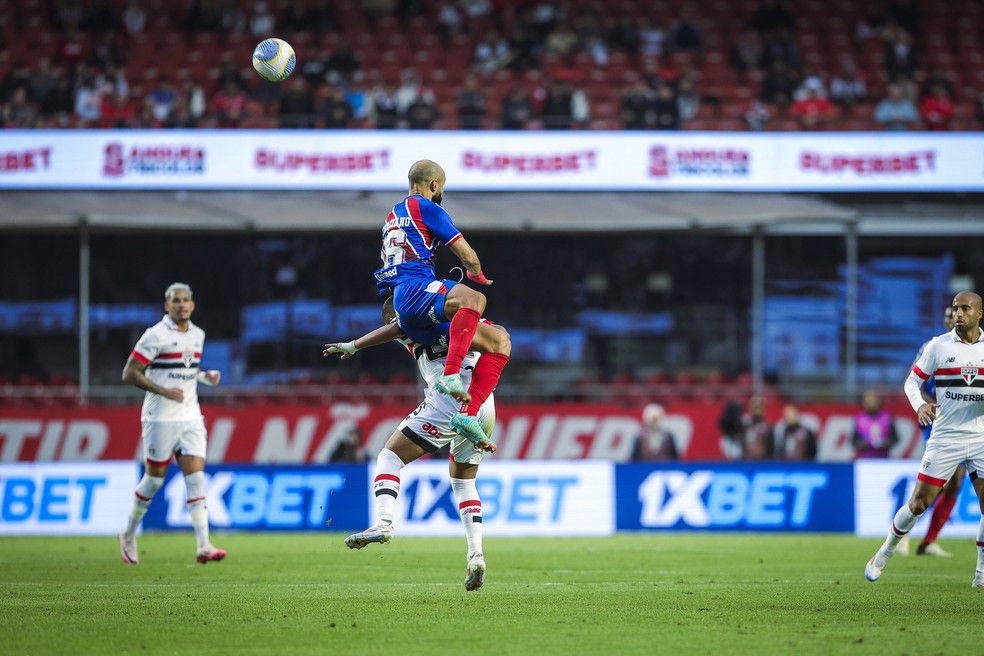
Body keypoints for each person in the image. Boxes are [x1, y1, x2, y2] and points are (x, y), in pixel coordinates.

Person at [324, 297, 508, 590]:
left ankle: (384, 522)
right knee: (463, 483)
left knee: (389, 457)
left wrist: (355, 345)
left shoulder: (408, 326)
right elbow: (496, 338)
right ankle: (476, 556)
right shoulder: (462, 318)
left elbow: (396, 328)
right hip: (483, 401)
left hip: (449, 398)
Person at [368, 160, 510, 450]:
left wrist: (355, 345)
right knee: (475, 299)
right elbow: (466, 254)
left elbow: (393, 327)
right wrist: (477, 274)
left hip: (405, 299)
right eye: (441, 187)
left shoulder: (392, 215)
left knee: (499, 339)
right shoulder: (427, 207)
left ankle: (467, 414)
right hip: (415, 289)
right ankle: (452, 377)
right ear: (435, 185)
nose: (440, 192)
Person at [865, 291, 984, 587]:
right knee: (919, 503)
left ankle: (981, 575)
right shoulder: (938, 346)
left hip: (981, 435)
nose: (958, 313)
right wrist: (920, 405)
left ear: (979, 313)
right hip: (946, 435)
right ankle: (885, 551)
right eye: (955, 308)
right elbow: (911, 381)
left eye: (965, 308)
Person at [118, 283, 226, 565]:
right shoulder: (155, 335)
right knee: (154, 481)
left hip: (190, 416)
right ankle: (128, 533)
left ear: (192, 305)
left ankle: (204, 545)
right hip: (159, 417)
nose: (181, 305)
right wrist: (164, 392)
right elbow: (129, 374)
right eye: (175, 301)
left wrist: (204, 377)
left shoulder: (198, 335)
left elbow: (184, 371)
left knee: (197, 478)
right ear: (167, 306)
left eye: (186, 300)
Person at [915, 306, 963, 557]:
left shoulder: (975, 348)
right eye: (949, 316)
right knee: (938, 483)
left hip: (968, 425)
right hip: (940, 424)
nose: (954, 318)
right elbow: (916, 383)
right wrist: (926, 405)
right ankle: (906, 531)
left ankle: (929, 540)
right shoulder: (931, 347)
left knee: (955, 483)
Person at [853, 389, 898, 458]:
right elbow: (854, 441)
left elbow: (895, 438)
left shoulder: (887, 417)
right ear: (864, 403)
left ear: (879, 402)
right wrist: (862, 445)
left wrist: (884, 443)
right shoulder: (859, 418)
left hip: (883, 459)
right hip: (864, 460)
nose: (871, 404)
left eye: (874, 401)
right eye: (868, 402)